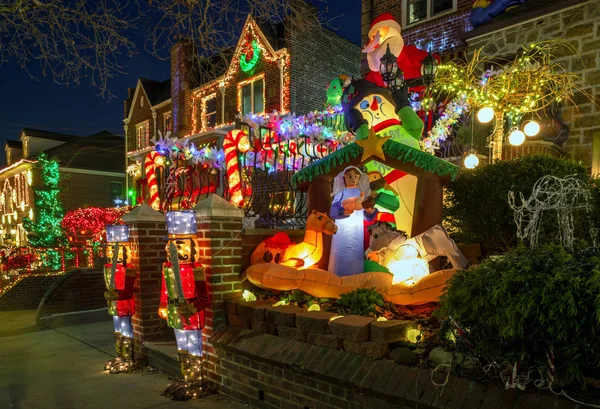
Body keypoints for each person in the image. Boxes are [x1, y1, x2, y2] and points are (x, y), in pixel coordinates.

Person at [328, 166, 378, 277]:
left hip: (356, 233)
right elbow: (333, 210)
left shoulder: (361, 194)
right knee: (340, 256)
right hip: (341, 234)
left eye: (356, 176)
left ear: (360, 178)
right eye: (350, 176)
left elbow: (366, 215)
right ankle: (337, 276)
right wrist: (343, 211)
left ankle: (355, 279)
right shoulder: (341, 193)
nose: (353, 178)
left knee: (354, 256)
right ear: (344, 178)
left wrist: (370, 211)